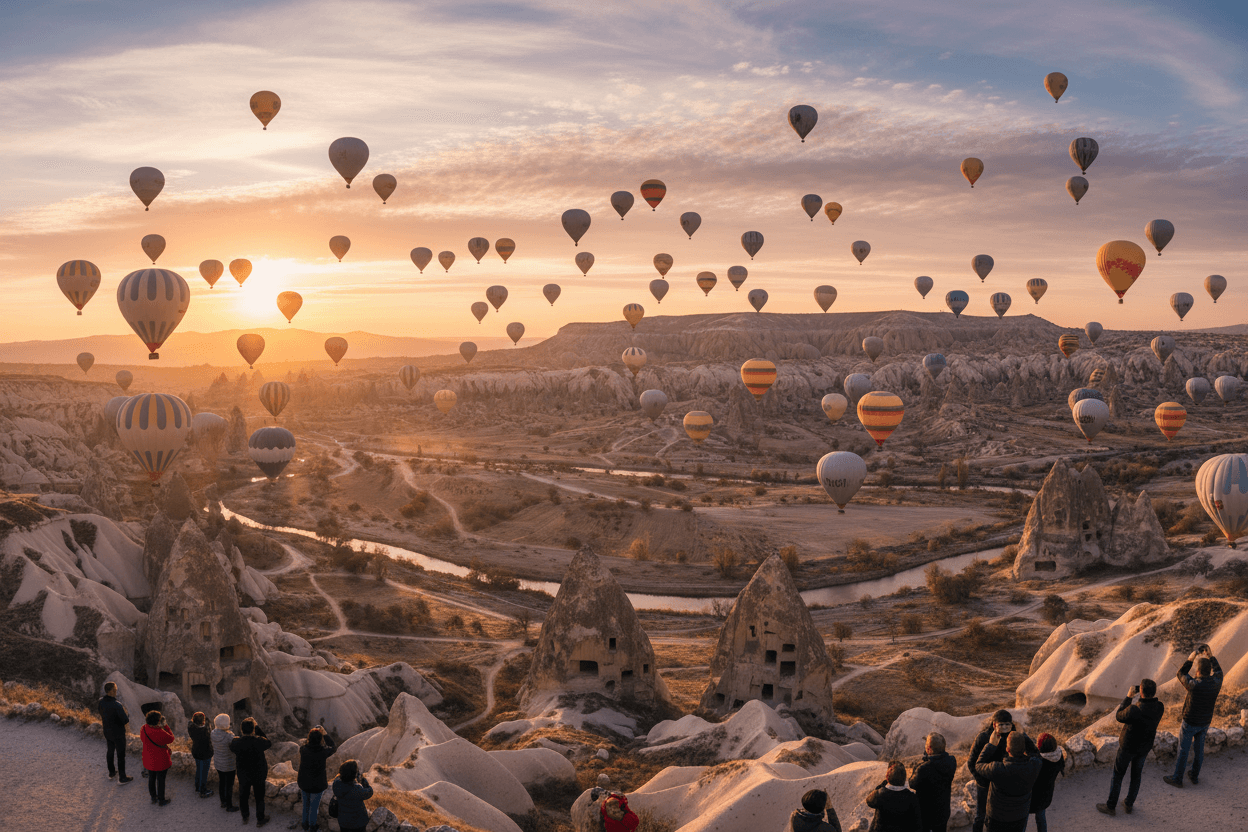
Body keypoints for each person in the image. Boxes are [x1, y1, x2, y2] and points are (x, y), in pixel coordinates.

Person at [1098, 678, 1164, 815]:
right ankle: (1129, 804)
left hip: (1128, 747)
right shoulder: (1159, 707)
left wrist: (1128, 697)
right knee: (1136, 775)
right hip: (1144, 747)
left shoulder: (1135, 709)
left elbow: (1119, 715)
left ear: (1140, 691)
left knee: (1118, 775)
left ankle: (1111, 806)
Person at [1165, 644, 1223, 788]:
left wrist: (1191, 657)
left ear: (1197, 671)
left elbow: (1180, 673)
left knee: (1183, 750)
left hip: (1190, 721)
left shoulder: (1193, 684)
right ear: (1209, 671)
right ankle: (1194, 775)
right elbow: (1219, 671)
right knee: (1199, 750)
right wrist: (1210, 656)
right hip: (1205, 721)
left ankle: (1177, 778)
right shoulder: (1216, 681)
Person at [969, 711, 1037, 832]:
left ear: (1011, 724)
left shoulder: (1014, 737)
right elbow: (972, 763)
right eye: (1001, 724)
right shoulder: (983, 737)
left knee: (998, 815)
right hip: (985, 784)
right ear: (994, 724)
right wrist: (983, 781)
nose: (1005, 727)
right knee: (980, 815)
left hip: (1003, 783)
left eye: (1007, 724)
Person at [230, 717, 273, 826]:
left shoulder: (236, 742)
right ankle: (260, 819)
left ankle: (245, 817)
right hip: (259, 774)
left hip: (243, 774)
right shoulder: (259, 741)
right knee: (259, 797)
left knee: (243, 796)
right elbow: (268, 742)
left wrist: (240, 736)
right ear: (253, 730)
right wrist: (257, 727)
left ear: (241, 730)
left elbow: (233, 744)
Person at [910, 732, 956, 832]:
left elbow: (912, 783)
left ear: (929, 749)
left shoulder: (923, 769)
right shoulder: (952, 761)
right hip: (943, 811)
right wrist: (930, 758)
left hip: (926, 814)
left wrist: (924, 762)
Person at [296, 726, 336, 832]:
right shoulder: (323, 752)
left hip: (304, 783)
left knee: (306, 805)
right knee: (314, 808)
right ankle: (312, 827)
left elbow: (306, 743)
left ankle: (305, 825)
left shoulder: (303, 750)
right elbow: (333, 746)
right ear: (320, 739)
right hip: (317, 785)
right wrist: (325, 734)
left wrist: (311, 734)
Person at [866, 761, 921, 832]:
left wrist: (881, 786)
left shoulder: (880, 794)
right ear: (904, 779)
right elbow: (917, 822)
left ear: (887, 778)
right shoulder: (911, 797)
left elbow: (869, 801)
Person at [1027, 734, 1064, 832]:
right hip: (1046, 796)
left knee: (1023, 819)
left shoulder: (1037, 762)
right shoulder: (1059, 756)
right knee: (1041, 818)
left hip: (1032, 798)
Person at [98, 682, 133, 784]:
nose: (116, 691)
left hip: (107, 731)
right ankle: (122, 778)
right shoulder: (117, 705)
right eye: (115, 689)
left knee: (110, 751)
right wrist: (126, 715)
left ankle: (112, 772)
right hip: (118, 733)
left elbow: (100, 712)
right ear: (112, 691)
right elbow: (125, 720)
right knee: (120, 755)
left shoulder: (101, 701)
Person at [140, 709, 175, 806]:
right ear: (158, 722)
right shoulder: (160, 732)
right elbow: (171, 738)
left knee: (151, 778)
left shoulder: (143, 728)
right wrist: (165, 726)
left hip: (148, 759)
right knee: (161, 780)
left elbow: (143, 739)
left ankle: (153, 797)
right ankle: (161, 800)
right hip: (161, 761)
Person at [332, 760, 374, 832]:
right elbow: (370, 791)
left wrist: (352, 776)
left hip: (343, 822)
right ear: (353, 775)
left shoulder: (336, 784)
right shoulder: (357, 790)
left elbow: (339, 777)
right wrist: (363, 780)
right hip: (358, 823)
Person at [211, 713, 240, 812]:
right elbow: (235, 748)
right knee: (229, 785)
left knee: (222, 782)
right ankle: (229, 805)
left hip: (218, 763)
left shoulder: (213, 733)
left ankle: (223, 802)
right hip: (229, 764)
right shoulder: (229, 736)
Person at [188, 712, 214, 798]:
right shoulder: (205, 731)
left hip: (196, 751)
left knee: (199, 769)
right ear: (203, 721)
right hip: (205, 753)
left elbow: (190, 722)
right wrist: (208, 723)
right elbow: (209, 733)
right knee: (204, 772)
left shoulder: (191, 727)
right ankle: (203, 791)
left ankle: (197, 786)